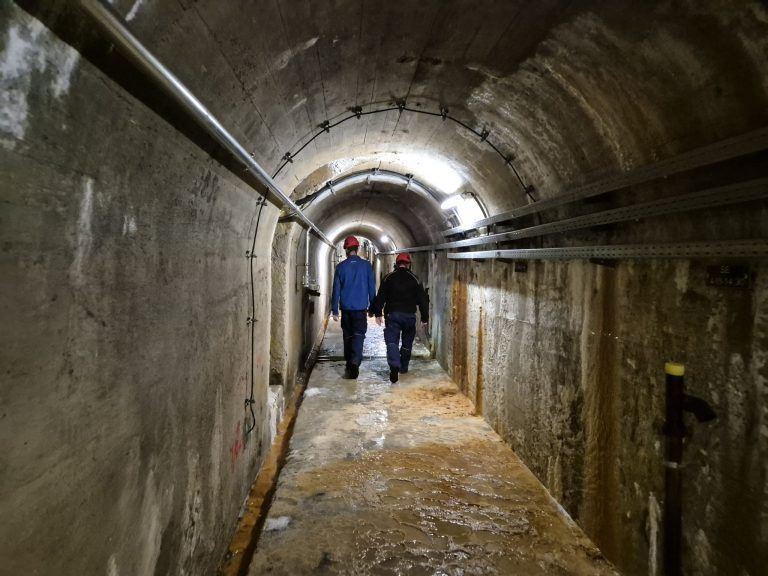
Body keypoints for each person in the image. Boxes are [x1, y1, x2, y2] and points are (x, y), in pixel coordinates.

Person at [369, 252, 429, 383]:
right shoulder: (415, 279)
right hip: (409, 316)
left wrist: (378, 313)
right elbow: (423, 300)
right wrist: (425, 318)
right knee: (407, 343)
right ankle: (404, 367)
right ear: (408, 264)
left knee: (392, 341)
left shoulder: (388, 278)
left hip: (393, 315)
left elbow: (381, 296)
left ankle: (394, 365)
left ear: (396, 264)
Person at [331, 235, 376, 379]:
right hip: (360, 309)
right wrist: (373, 308)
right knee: (359, 336)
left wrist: (334, 309)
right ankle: (355, 362)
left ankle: (349, 362)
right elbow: (371, 288)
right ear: (357, 248)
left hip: (346, 309)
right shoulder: (366, 266)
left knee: (348, 336)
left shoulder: (340, 267)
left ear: (346, 250)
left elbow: (336, 289)